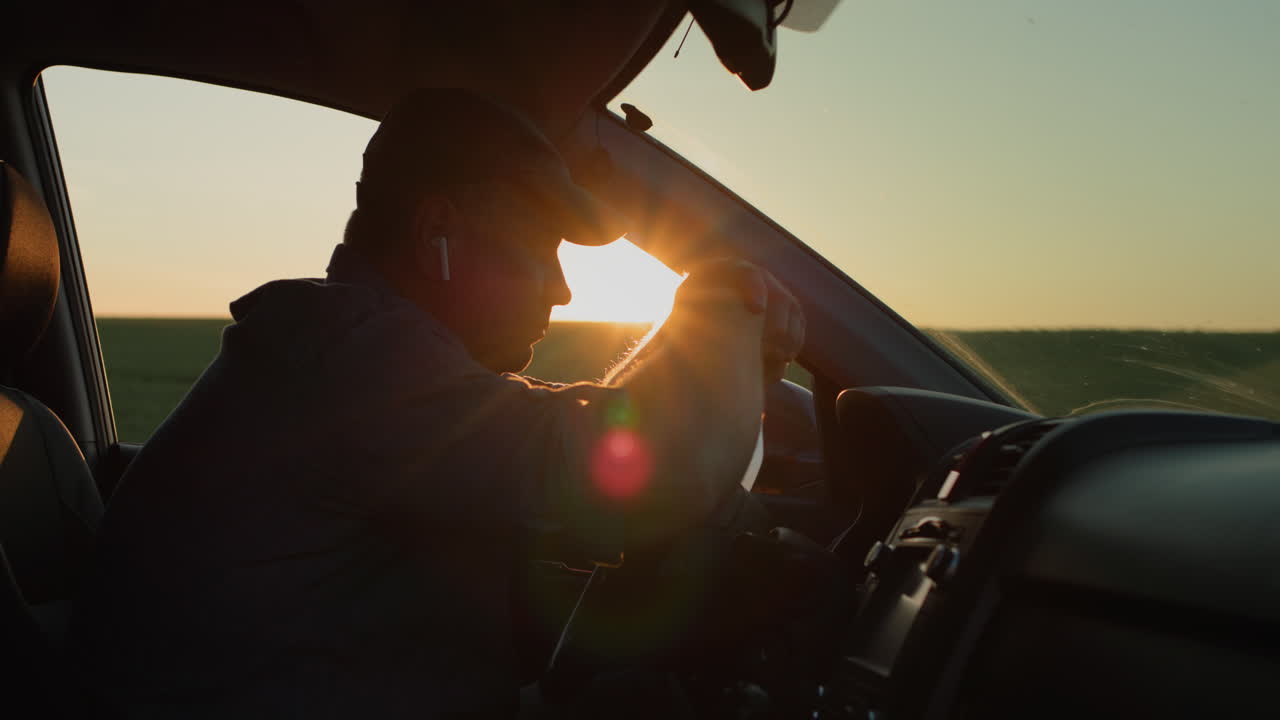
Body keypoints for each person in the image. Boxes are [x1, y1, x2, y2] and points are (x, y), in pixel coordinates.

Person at [70, 88, 804, 718]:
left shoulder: (356, 355)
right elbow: (644, 471)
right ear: (437, 234)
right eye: (540, 248)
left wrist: (725, 358)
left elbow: (580, 434)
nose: (562, 287)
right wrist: (721, 302)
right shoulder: (358, 358)